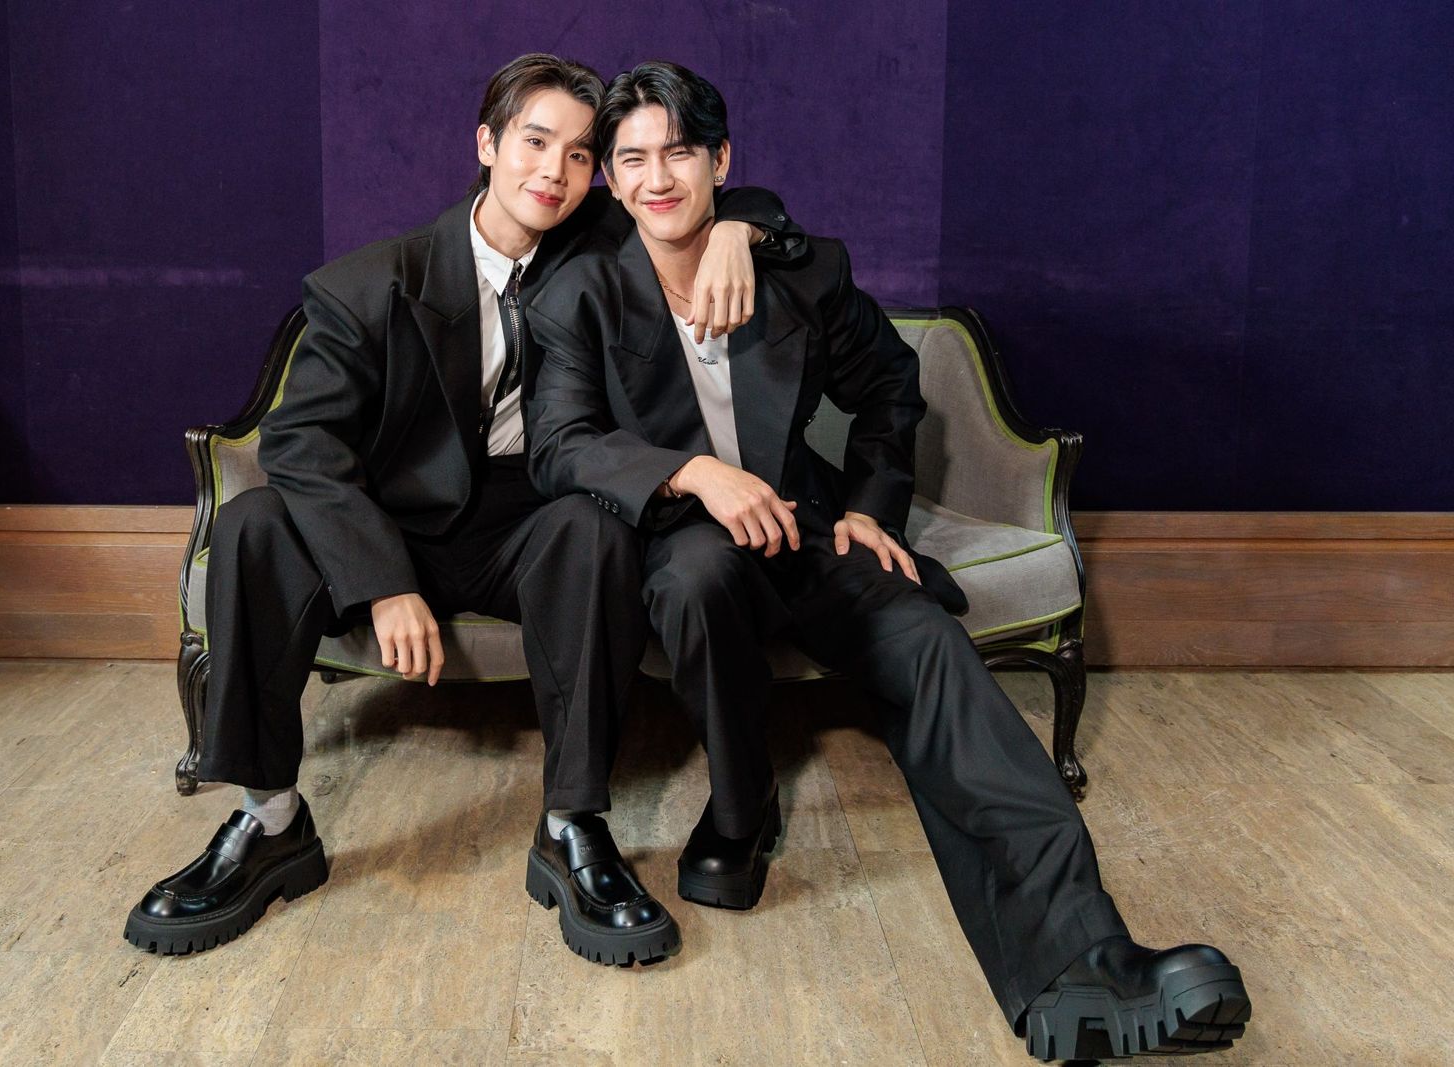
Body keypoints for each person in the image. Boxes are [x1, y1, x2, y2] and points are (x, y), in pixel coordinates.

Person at [525, 60, 1251, 1060]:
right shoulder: (580, 291)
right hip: (682, 548)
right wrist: (695, 473)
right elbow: (559, 443)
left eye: (679, 153)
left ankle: (1082, 963)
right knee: (696, 577)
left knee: (932, 652)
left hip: (807, 534)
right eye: (634, 160)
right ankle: (738, 813)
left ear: (720, 161)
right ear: (609, 179)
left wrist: (871, 509)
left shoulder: (798, 271)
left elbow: (892, 387)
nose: (658, 178)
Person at [123, 53, 802, 968]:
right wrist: (384, 583)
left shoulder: (598, 242)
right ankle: (268, 819)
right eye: (534, 143)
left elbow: (699, 188)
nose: (554, 172)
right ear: (486, 144)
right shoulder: (371, 283)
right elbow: (299, 446)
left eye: (579, 154)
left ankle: (572, 823)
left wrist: (738, 231)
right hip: (392, 518)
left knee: (595, 524)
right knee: (253, 524)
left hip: (526, 518)